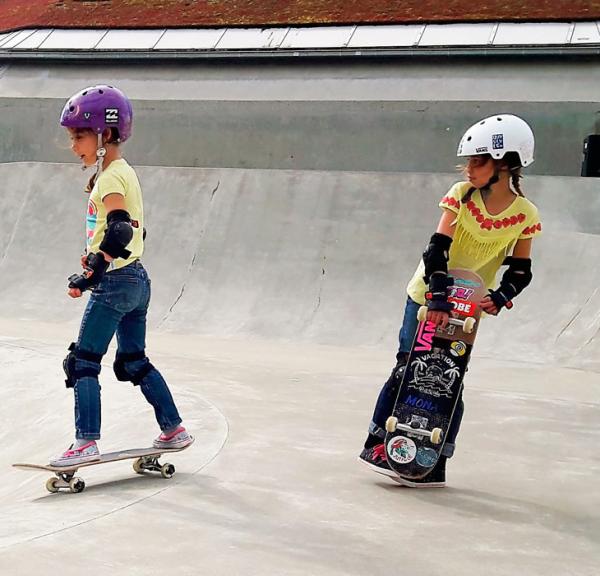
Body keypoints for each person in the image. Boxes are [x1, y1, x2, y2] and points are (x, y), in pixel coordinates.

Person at [359, 114, 542, 487]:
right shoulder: (460, 196)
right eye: (468, 161)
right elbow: (436, 250)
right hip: (427, 296)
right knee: (408, 367)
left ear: (505, 163)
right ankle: (380, 443)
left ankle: (435, 459)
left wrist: (500, 297)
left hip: (467, 309)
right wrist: (438, 297)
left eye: (478, 161)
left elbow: (521, 271)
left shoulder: (525, 215)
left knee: (450, 378)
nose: (469, 169)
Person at [50, 85, 193, 466]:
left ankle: (86, 442)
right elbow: (136, 229)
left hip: (113, 284)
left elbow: (120, 231)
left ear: (105, 134)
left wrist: (94, 271)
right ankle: (173, 429)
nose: (73, 145)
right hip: (137, 280)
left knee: (82, 363)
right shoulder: (125, 173)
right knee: (133, 361)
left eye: (79, 135)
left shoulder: (111, 178)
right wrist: (98, 254)